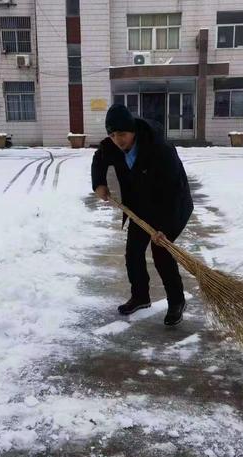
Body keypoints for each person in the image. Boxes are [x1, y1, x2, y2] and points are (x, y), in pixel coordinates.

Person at [91, 104, 194, 326]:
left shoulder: (159, 149)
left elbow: (173, 191)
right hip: (140, 205)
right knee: (133, 252)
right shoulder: (113, 146)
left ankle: (177, 301)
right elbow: (98, 159)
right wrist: (98, 183)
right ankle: (141, 297)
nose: (118, 140)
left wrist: (164, 229)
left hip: (172, 205)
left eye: (122, 134)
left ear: (133, 131)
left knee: (161, 252)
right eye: (112, 135)